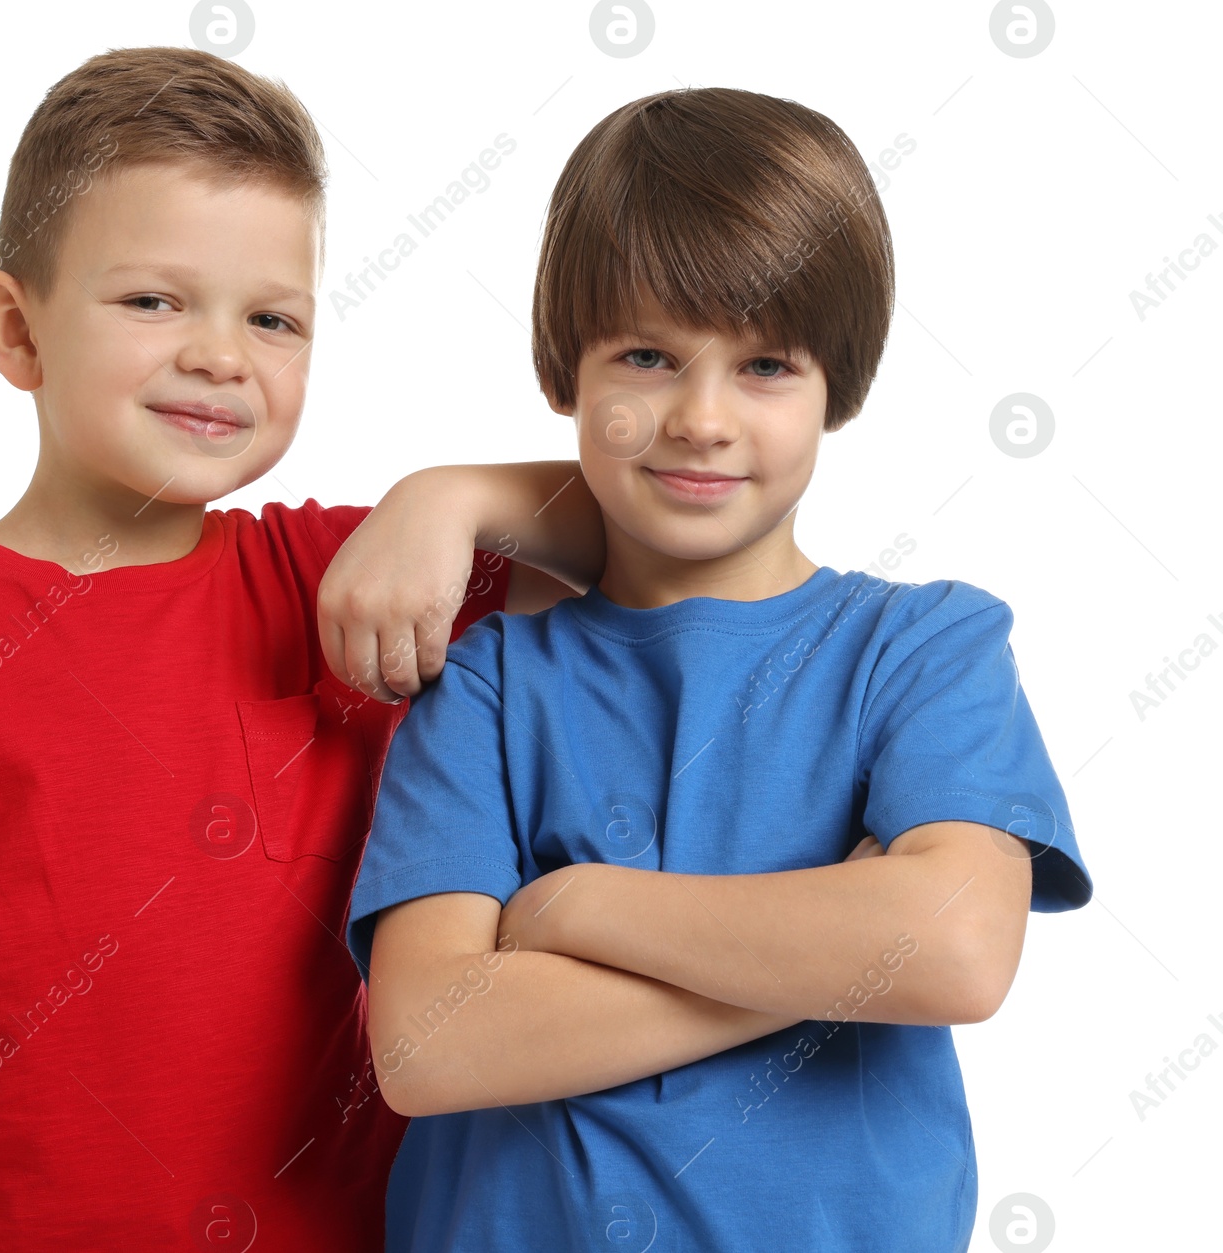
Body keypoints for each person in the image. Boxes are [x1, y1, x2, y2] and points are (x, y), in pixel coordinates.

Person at [0, 46, 604, 1252]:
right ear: (14, 326)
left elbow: (640, 523)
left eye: (272, 317)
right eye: (154, 300)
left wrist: (446, 495)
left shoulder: (340, 574)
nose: (219, 353)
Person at [346, 85, 1094, 1252]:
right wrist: (837, 948)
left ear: (836, 387)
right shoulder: (487, 683)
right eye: (647, 355)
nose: (701, 416)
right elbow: (430, 1043)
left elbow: (950, 948)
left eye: (765, 365)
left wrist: (578, 906)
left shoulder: (924, 646)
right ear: (565, 373)